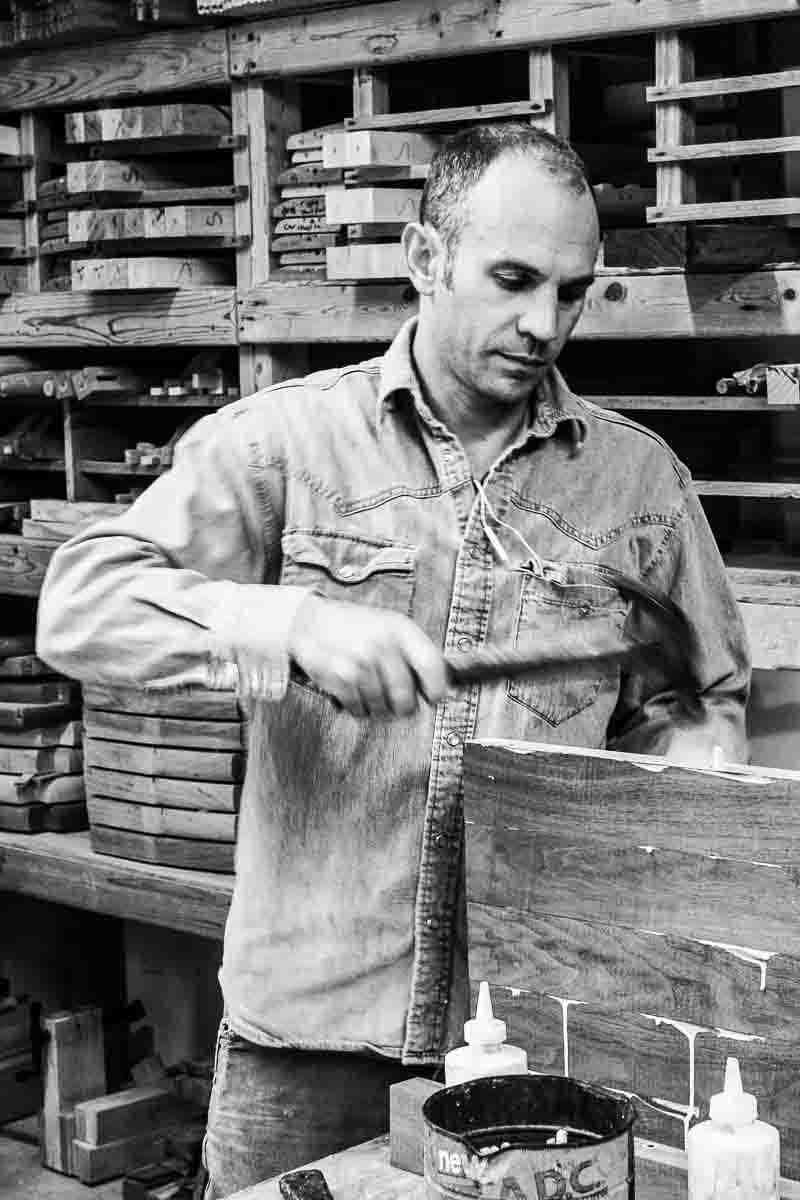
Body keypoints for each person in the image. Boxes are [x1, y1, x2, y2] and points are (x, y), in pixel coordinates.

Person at [36, 123, 750, 1196]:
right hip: (309, 1037)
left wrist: (688, 764)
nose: (542, 324)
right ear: (422, 258)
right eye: (511, 280)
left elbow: (696, 699)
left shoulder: (637, 487)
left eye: (571, 292)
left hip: (535, 1037)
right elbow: (78, 604)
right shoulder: (287, 446)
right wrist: (292, 627)